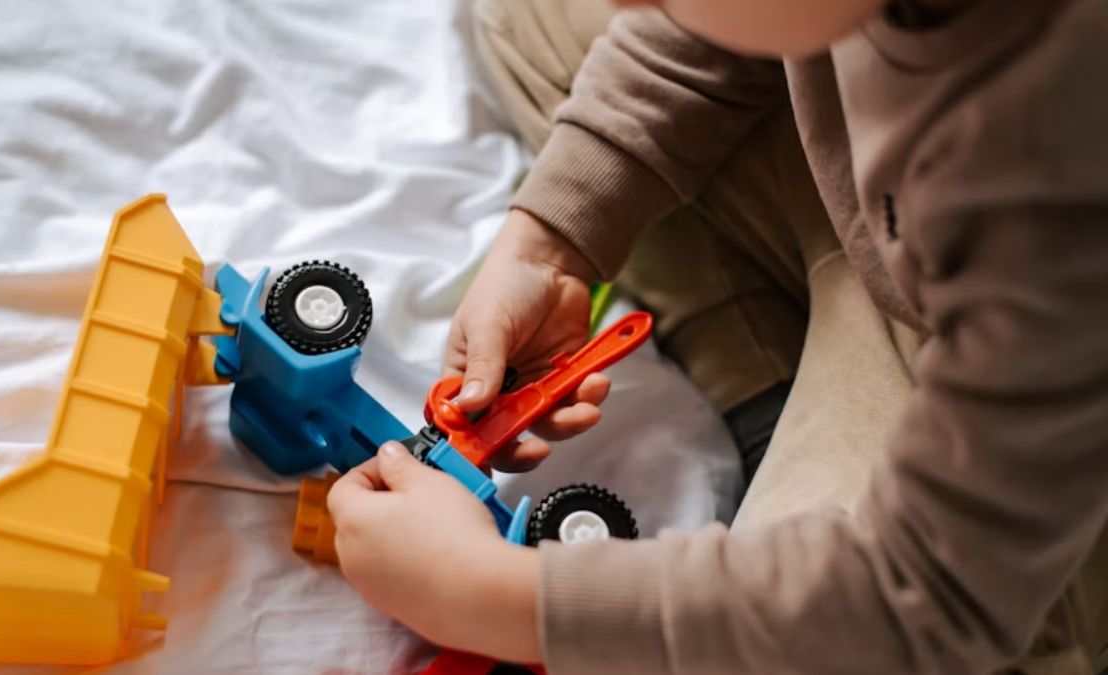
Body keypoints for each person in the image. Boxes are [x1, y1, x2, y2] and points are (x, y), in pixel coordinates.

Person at [327, 0, 1108, 672]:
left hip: (1025, 497)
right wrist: (551, 237)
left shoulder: (1059, 167)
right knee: (527, 19)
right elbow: (702, 29)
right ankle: (778, 368)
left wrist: (495, 596)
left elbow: (931, 596)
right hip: (900, 226)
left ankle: (780, 389)